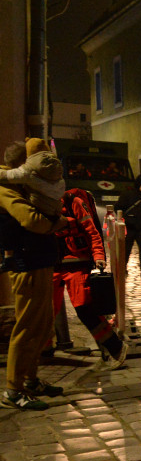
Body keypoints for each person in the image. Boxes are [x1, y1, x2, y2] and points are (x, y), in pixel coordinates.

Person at [0, 141, 69, 410]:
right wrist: (59, 223)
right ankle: (13, 390)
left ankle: (30, 379)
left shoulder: (22, 184)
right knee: (27, 326)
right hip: (24, 262)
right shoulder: (6, 188)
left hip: (37, 259)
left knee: (41, 324)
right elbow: (31, 220)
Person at [53, 188, 129, 368]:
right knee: (45, 311)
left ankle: (115, 348)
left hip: (77, 263)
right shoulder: (38, 202)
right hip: (51, 264)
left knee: (85, 308)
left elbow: (92, 232)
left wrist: (98, 256)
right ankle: (44, 351)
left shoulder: (74, 203)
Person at [115, 176, 141, 278]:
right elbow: (118, 207)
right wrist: (125, 219)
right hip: (129, 227)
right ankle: (123, 268)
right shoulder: (128, 194)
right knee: (126, 249)